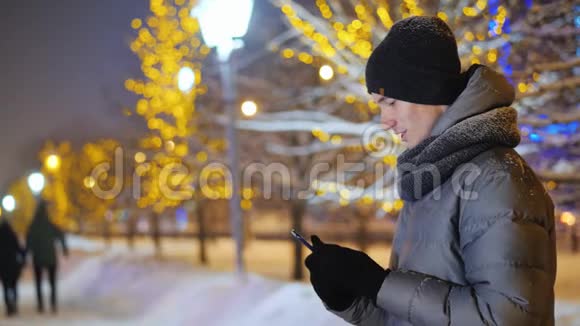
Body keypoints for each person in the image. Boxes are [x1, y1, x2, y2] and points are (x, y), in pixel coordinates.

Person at [304, 16, 556, 325]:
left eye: (390, 102)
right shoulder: (431, 179)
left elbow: (505, 319)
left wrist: (379, 284)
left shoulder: (496, 178)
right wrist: (350, 298)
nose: (385, 121)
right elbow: (411, 316)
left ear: (427, 92)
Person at [25, 200, 68, 314]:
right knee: (52, 283)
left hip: (38, 259)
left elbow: (28, 242)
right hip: (50, 258)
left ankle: (40, 305)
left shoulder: (33, 226)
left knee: (38, 282)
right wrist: (64, 249)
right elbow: (61, 235)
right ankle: (53, 304)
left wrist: (25, 255)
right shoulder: (50, 225)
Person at [0, 219, 25, 317]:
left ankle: (8, 307)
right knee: (14, 286)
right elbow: (19, 249)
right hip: (13, 266)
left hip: (2, 266)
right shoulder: (13, 235)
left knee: (6, 287)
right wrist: (23, 258)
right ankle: (14, 304)